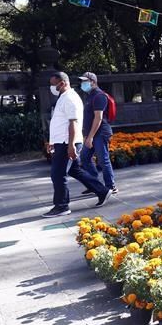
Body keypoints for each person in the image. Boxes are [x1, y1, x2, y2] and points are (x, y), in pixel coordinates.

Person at [43, 72, 109, 217]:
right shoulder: (63, 97)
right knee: (75, 170)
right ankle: (102, 191)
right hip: (62, 142)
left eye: (53, 84)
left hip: (67, 142)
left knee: (58, 174)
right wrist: (52, 142)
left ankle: (62, 206)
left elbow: (73, 123)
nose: (52, 87)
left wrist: (71, 145)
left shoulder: (70, 98)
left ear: (62, 83)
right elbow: (59, 123)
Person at [77, 72, 117, 195]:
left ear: (93, 82)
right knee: (84, 158)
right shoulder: (90, 96)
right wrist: (86, 135)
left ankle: (111, 186)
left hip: (100, 133)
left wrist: (90, 137)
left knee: (103, 160)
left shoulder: (99, 96)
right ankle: (94, 184)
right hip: (91, 134)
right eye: (82, 81)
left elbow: (98, 118)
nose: (83, 84)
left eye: (85, 81)